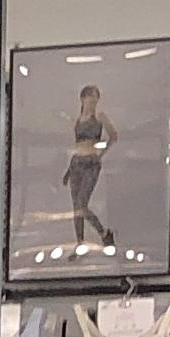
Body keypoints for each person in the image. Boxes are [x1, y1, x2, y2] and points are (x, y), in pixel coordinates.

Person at [64, 82, 117, 251]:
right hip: (76, 163)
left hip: (91, 164)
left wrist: (100, 153)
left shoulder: (100, 117)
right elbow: (76, 144)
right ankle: (79, 243)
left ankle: (103, 232)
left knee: (82, 203)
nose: (92, 101)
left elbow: (113, 136)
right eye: (90, 97)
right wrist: (68, 170)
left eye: (95, 98)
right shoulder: (77, 120)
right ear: (83, 98)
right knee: (76, 207)